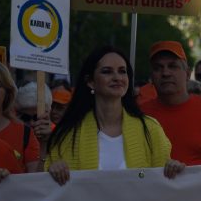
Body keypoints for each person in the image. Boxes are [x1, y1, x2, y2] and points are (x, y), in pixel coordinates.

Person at [45, 45, 184, 185]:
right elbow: (43, 189)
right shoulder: (67, 134)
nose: (117, 77)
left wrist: (173, 170)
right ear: (90, 82)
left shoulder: (150, 129)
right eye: (107, 72)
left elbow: (164, 186)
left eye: (122, 71)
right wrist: (51, 170)